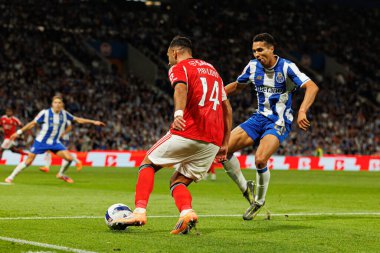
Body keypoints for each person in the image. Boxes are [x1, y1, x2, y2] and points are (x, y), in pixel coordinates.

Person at [111, 36, 233, 234]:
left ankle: (139, 211)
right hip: (212, 141)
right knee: (178, 182)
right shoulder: (213, 71)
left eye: (168, 55)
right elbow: (226, 107)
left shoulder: (180, 67)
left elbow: (180, 88)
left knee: (148, 163)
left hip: (189, 131)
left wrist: (178, 113)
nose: (168, 59)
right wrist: (225, 142)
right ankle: (187, 212)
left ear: (175, 52)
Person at [222, 33, 319, 220]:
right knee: (222, 149)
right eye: (254, 51)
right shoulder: (252, 67)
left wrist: (302, 111)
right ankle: (245, 188)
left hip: (278, 121)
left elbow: (312, 87)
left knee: (260, 160)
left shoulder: (287, 67)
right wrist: (216, 94)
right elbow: (238, 86)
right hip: (258, 119)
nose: (257, 54)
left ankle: (259, 201)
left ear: (271, 49)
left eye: (260, 50)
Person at [4, 96, 105, 184]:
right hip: (41, 141)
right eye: (55, 102)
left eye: (59, 103)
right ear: (52, 104)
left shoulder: (64, 114)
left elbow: (78, 119)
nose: (57, 104)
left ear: (62, 104)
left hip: (55, 142)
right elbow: (32, 123)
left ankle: (61, 174)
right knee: (29, 161)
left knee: (69, 159)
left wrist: (94, 122)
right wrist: (18, 132)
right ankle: (10, 177)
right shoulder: (45, 113)